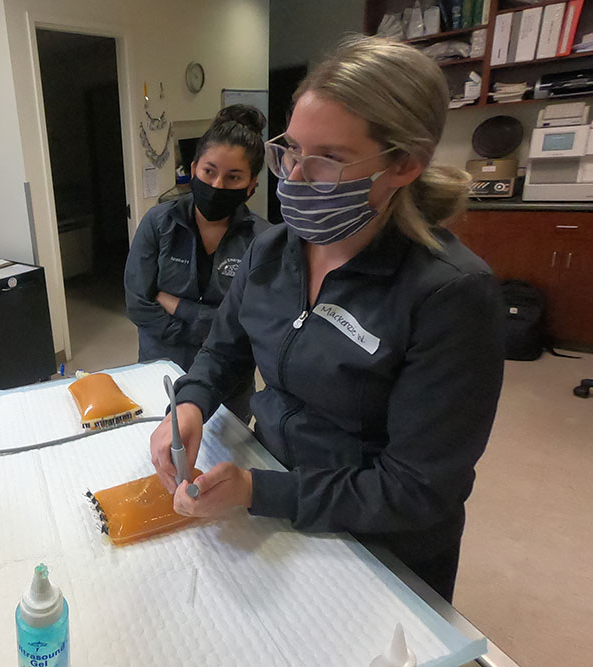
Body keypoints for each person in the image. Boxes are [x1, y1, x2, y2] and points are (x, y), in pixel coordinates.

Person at [149, 36, 505, 603]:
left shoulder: (450, 296)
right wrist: (189, 405)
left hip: (382, 542)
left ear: (404, 164)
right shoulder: (271, 252)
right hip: (272, 490)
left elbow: (417, 490)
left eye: (329, 160)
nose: (292, 176)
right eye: (290, 150)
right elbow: (223, 351)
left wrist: (259, 492)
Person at [124, 105, 271, 419]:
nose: (218, 185)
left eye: (233, 177)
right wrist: (209, 330)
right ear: (193, 169)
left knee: (224, 460)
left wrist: (179, 306)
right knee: (160, 450)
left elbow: (253, 323)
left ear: (251, 185)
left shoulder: (263, 240)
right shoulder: (159, 223)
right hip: (161, 369)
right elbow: (138, 304)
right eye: (209, 171)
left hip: (228, 384)